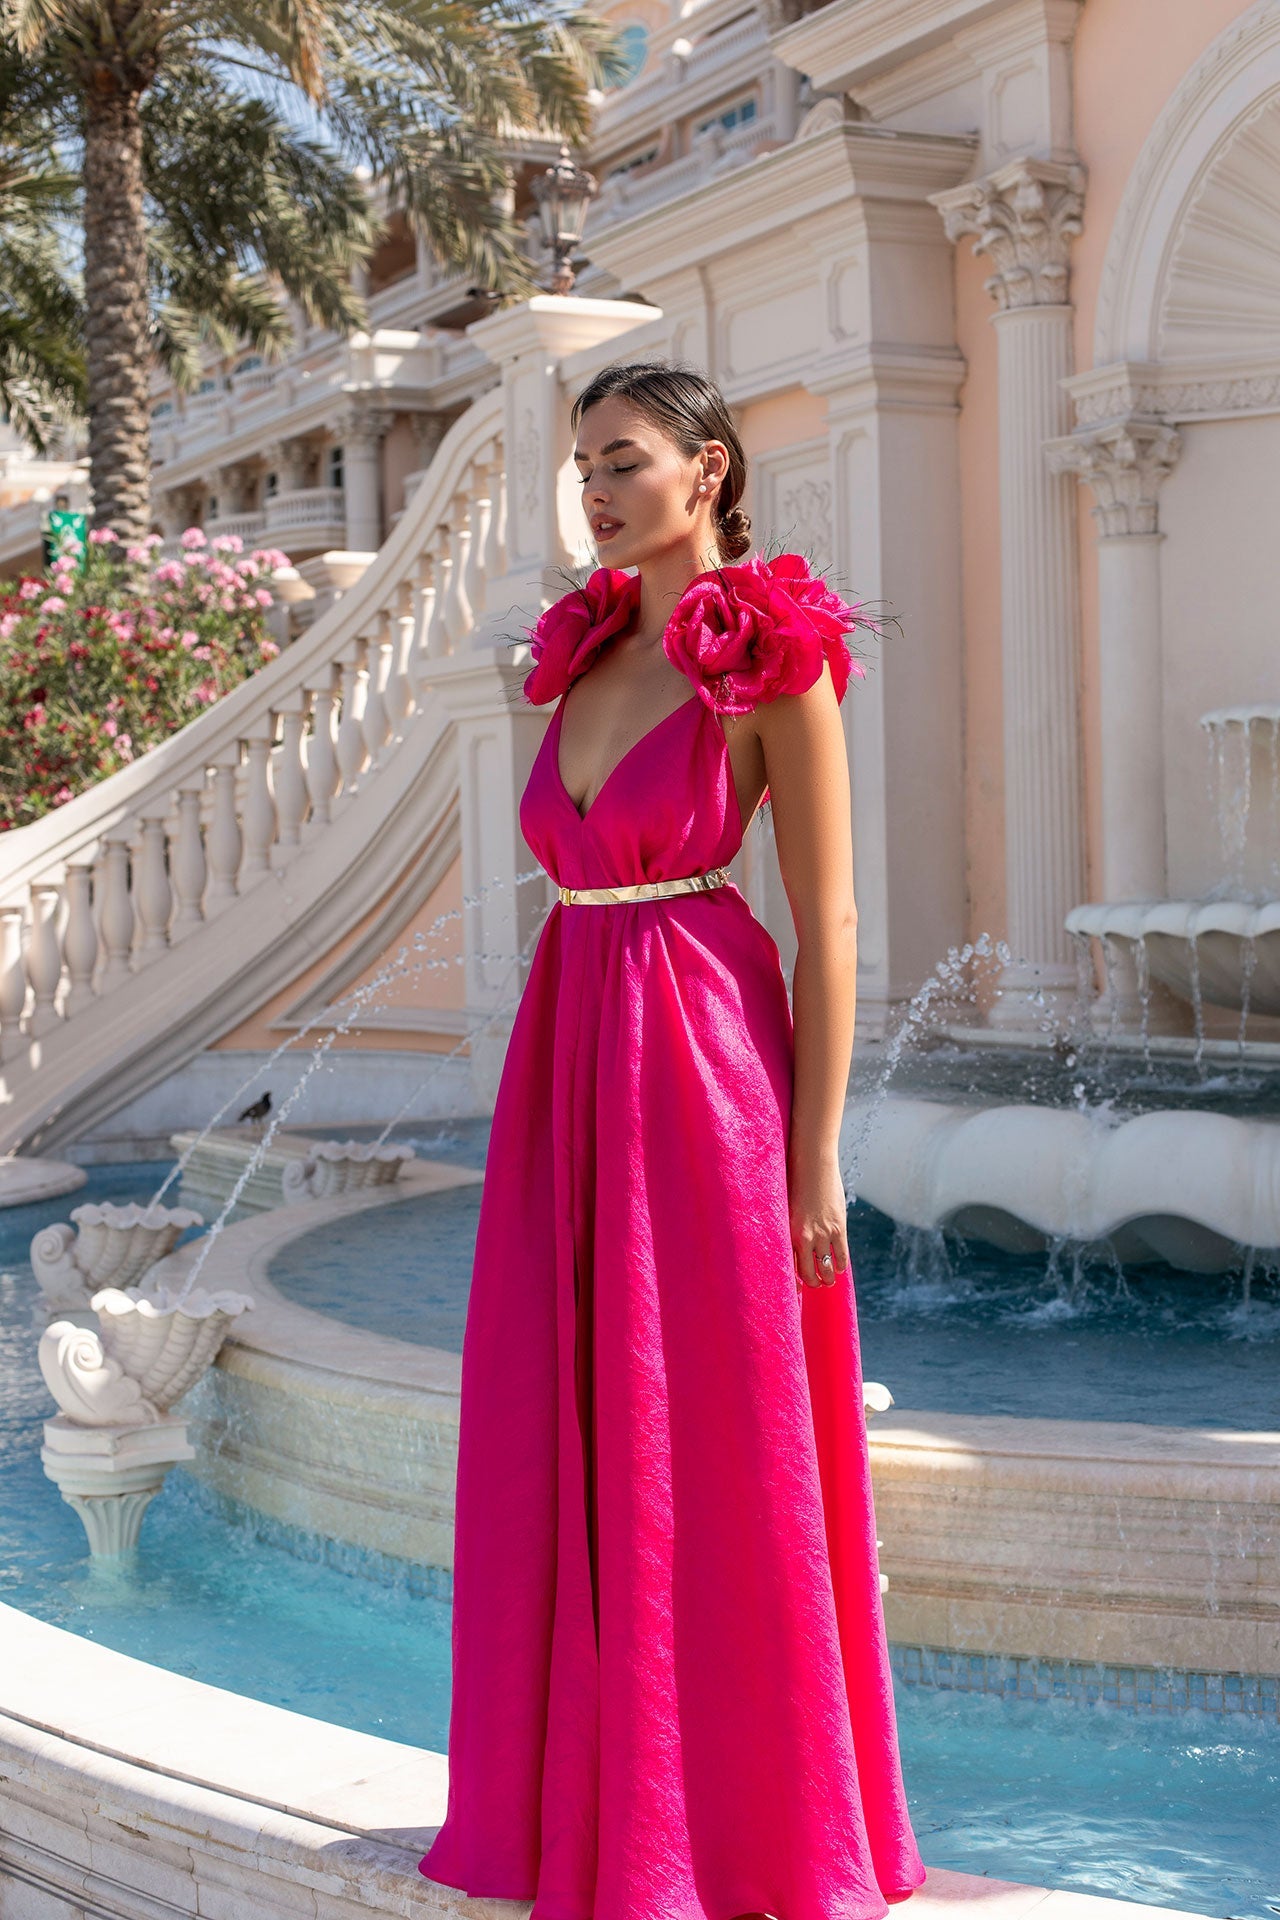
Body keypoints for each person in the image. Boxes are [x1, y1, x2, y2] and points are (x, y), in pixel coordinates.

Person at [418, 359, 925, 1920]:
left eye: (624, 460)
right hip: (568, 1050)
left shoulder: (773, 664)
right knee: (555, 1417)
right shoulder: (577, 657)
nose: (596, 490)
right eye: (583, 466)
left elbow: (832, 925)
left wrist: (816, 1151)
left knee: (708, 1430)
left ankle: (738, 1832)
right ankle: (583, 1810)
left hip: (705, 1063)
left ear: (709, 472)